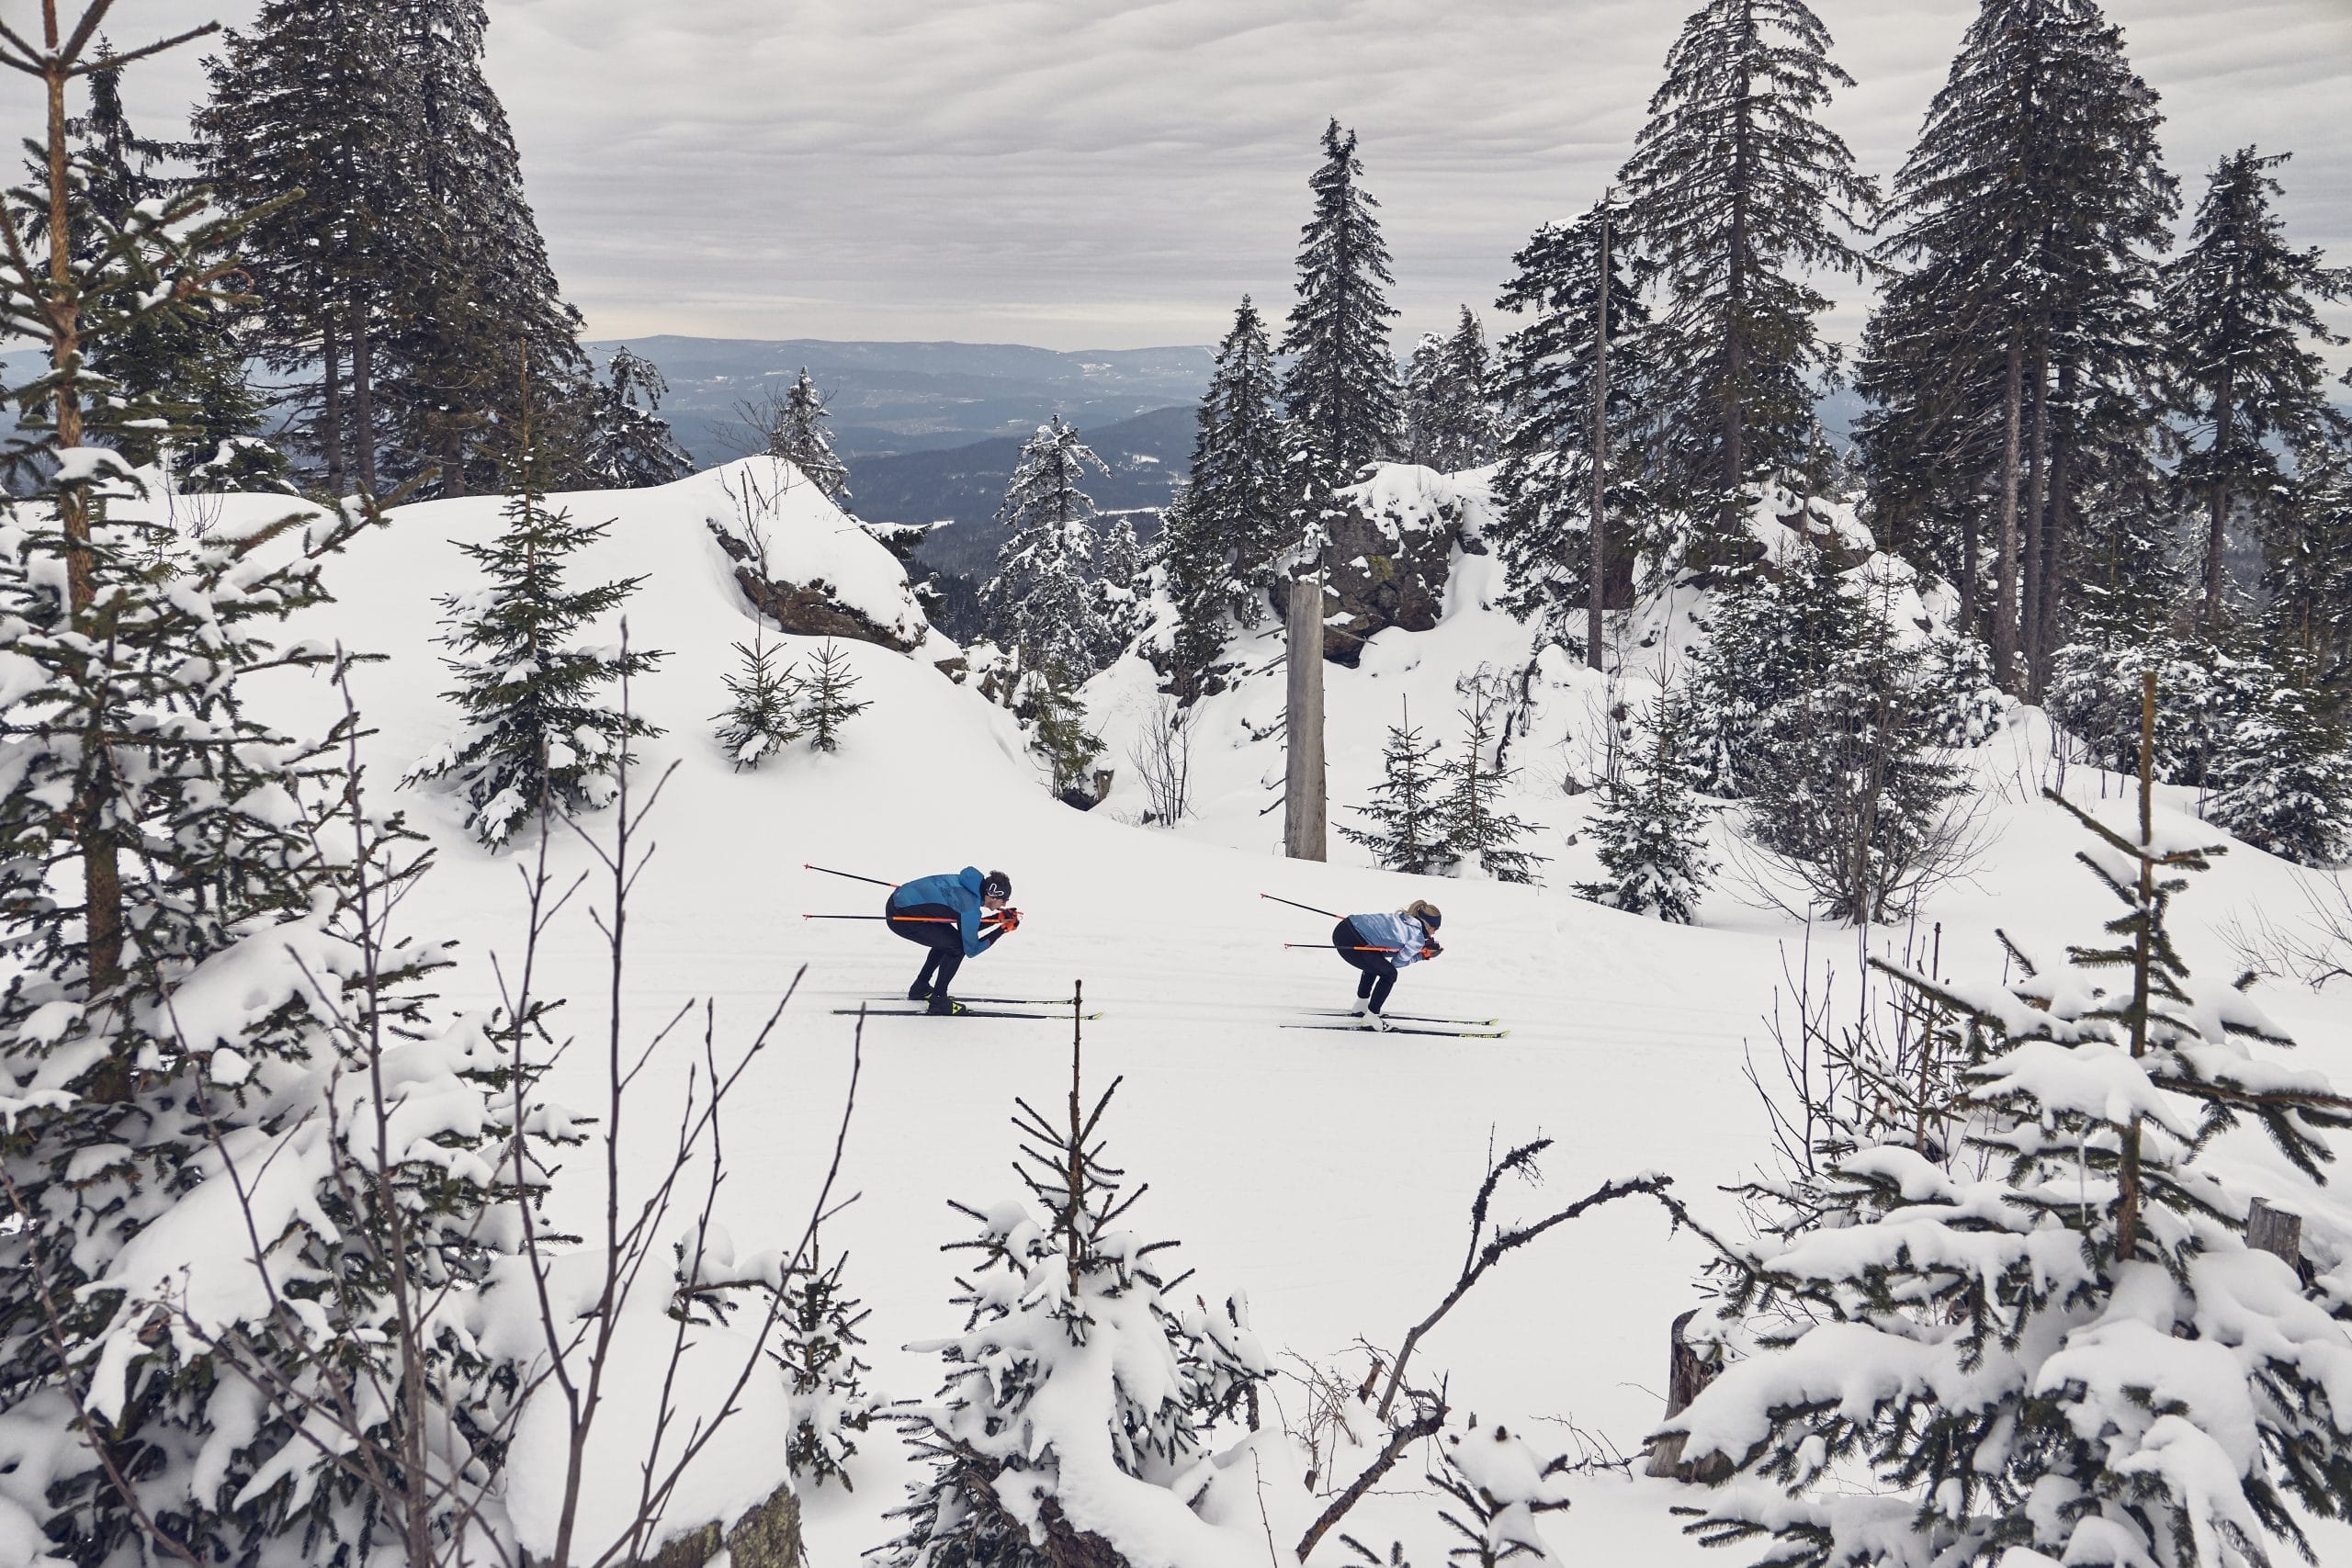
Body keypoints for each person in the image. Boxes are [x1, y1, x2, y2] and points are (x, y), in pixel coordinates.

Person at [887, 867, 1018, 1014]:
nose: (1004, 905)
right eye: (1004, 899)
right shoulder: (969, 906)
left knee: (949, 941)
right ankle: (939, 1000)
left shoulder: (971, 885)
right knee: (956, 948)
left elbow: (967, 926)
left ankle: (920, 987)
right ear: (993, 896)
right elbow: (971, 949)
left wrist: (997, 920)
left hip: (901, 903)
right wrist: (1002, 930)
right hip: (902, 917)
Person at [1331, 900, 1442, 1029]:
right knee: (1390, 974)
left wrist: (1418, 951)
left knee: (1377, 963)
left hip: (1345, 928)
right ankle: (1371, 1018)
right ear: (1428, 926)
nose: (1434, 933)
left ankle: (1361, 1006)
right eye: (1435, 929)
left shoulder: (1404, 918)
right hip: (1352, 941)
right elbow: (1397, 963)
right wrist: (1422, 956)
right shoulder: (1417, 937)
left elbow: (1388, 946)